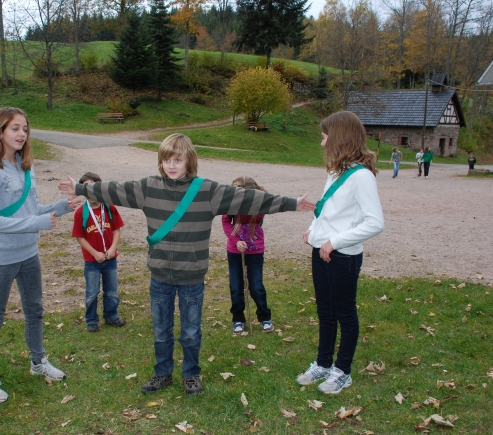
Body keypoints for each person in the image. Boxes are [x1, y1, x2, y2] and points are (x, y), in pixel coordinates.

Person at [59, 133, 316, 396]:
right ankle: (162, 373)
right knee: (161, 330)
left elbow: (249, 198)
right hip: (159, 276)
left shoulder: (208, 191)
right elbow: (114, 189)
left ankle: (191, 374)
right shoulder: (148, 188)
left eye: (178, 159)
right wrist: (80, 189)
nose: (172, 165)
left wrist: (293, 203)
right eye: (167, 159)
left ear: (189, 160)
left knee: (191, 332)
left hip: (192, 276)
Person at [0, 107, 76, 403]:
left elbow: (34, 212)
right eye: (15, 128)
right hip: (2, 257)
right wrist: (37, 223)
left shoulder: (24, 165)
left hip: (28, 254)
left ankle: (38, 362)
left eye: (25, 129)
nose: (22, 134)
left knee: (35, 310)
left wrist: (64, 206)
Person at [297, 111, 384, 395]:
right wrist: (313, 229)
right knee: (325, 312)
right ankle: (323, 364)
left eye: (325, 138)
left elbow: (375, 222)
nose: (322, 144)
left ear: (339, 138)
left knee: (344, 313)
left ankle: (342, 371)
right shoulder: (336, 171)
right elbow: (327, 209)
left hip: (343, 257)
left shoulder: (362, 177)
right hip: (320, 251)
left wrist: (334, 242)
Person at [71, 172, 126, 332]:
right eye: (86, 188)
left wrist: (112, 248)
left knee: (111, 291)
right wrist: (94, 253)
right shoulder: (81, 212)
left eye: (95, 188)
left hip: (110, 259)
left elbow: (116, 229)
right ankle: (91, 320)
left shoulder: (110, 207)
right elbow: (79, 237)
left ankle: (111, 315)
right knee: (92, 292)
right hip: (92, 261)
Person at [222, 176, 274, 335]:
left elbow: (255, 218)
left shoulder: (261, 204)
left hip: (255, 250)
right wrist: (236, 240)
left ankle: (264, 317)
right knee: (236, 287)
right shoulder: (230, 204)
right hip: (235, 250)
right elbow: (226, 222)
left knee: (256, 286)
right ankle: (238, 318)